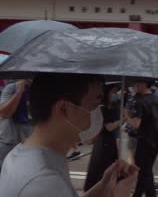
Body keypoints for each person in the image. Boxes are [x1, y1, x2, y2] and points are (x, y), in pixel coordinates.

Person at [0, 73, 138, 197]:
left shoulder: (27, 154)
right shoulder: (43, 182)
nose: (97, 113)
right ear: (64, 109)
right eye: (94, 105)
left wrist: (103, 186)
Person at [125, 80, 158, 197]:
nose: (135, 85)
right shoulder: (156, 99)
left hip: (146, 140)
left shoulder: (140, 101)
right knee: (145, 170)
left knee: (144, 172)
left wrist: (126, 116)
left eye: (137, 83)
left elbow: (135, 124)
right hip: (157, 139)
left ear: (144, 84)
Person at [84, 83, 121, 191]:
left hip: (108, 143)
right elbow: (109, 127)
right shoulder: (102, 109)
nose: (116, 94)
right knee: (100, 170)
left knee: (106, 169)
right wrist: (123, 119)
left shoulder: (113, 107)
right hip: (103, 143)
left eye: (116, 92)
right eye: (113, 92)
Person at [0, 79, 32, 170]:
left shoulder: (40, 90)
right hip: (9, 140)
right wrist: (19, 91)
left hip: (30, 141)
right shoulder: (12, 87)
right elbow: (4, 113)